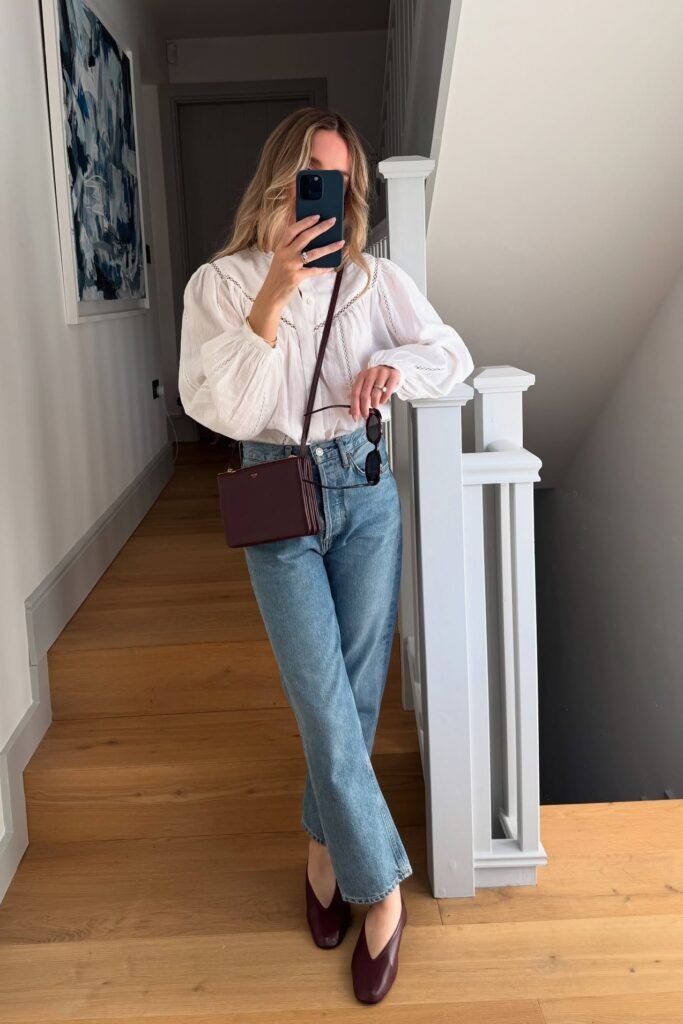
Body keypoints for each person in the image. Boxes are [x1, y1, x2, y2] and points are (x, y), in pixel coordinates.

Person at [178, 106, 475, 1005]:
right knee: (320, 696)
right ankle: (380, 889)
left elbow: (450, 357)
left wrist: (393, 367)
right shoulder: (219, 285)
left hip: (366, 486)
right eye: (313, 176)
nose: (327, 197)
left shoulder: (372, 279)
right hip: (277, 490)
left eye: (340, 184)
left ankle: (321, 849)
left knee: (348, 696)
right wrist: (272, 291)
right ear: (280, 178)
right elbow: (222, 406)